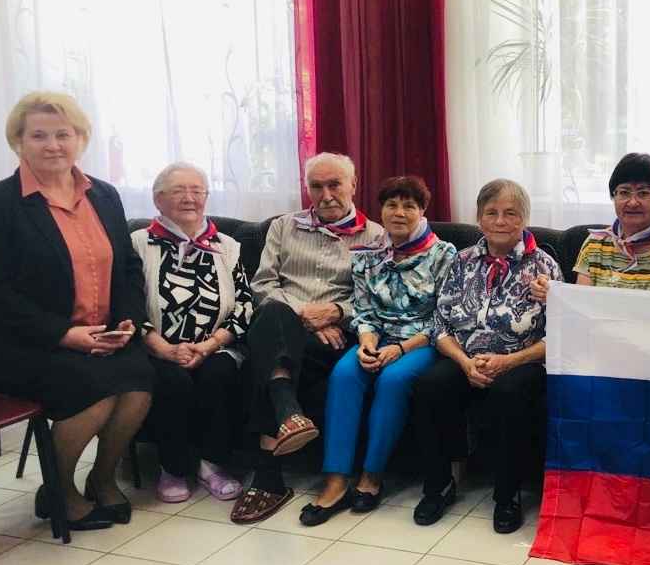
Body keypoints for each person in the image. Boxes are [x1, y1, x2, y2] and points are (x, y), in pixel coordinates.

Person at [0, 91, 152, 530]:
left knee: (141, 380)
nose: (53, 145)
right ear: (19, 141)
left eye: (63, 135)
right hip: (24, 344)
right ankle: (60, 491)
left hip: (100, 334)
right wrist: (64, 334)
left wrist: (126, 321)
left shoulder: (103, 195)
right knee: (93, 387)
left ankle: (102, 479)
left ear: (80, 139)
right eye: (39, 136)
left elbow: (128, 267)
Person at [231, 152, 385, 524]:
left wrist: (336, 312)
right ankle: (287, 414)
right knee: (273, 317)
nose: (326, 195)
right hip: (283, 322)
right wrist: (305, 315)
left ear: (353, 185)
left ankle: (270, 471)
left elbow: (375, 299)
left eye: (335, 184)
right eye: (317, 186)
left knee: (264, 357)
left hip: (333, 338)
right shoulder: (283, 226)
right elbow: (263, 285)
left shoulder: (376, 236)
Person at [299, 175, 457, 526]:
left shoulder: (444, 254)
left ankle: (372, 476)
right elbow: (363, 309)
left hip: (423, 341)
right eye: (391, 205)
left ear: (422, 211)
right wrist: (367, 343)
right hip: (376, 337)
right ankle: (336, 479)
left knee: (393, 380)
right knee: (344, 373)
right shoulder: (366, 253)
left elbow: (444, 318)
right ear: (381, 209)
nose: (399, 213)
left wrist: (400, 349)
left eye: (409, 206)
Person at [410, 179, 562, 534]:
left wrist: (509, 361)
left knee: (509, 393)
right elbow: (440, 323)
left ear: (525, 218)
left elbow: (559, 334)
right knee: (429, 386)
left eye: (511, 213)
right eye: (491, 212)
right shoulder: (461, 261)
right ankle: (438, 486)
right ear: (479, 218)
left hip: (523, 360)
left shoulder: (544, 266)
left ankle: (507, 496)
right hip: (466, 358)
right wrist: (464, 363)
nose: (500, 221)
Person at [133, 163, 252, 504]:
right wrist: (163, 348)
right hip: (156, 347)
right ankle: (172, 467)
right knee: (172, 381)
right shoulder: (137, 243)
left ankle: (210, 464)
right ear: (158, 199)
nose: (189, 198)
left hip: (216, 345)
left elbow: (245, 303)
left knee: (219, 374)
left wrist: (212, 344)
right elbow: (126, 304)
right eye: (178, 191)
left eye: (197, 191)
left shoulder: (227, 246)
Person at [566, 153, 650, 294]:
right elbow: (581, 302)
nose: (632, 202)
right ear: (613, 196)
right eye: (624, 192)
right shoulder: (595, 244)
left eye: (643, 193)